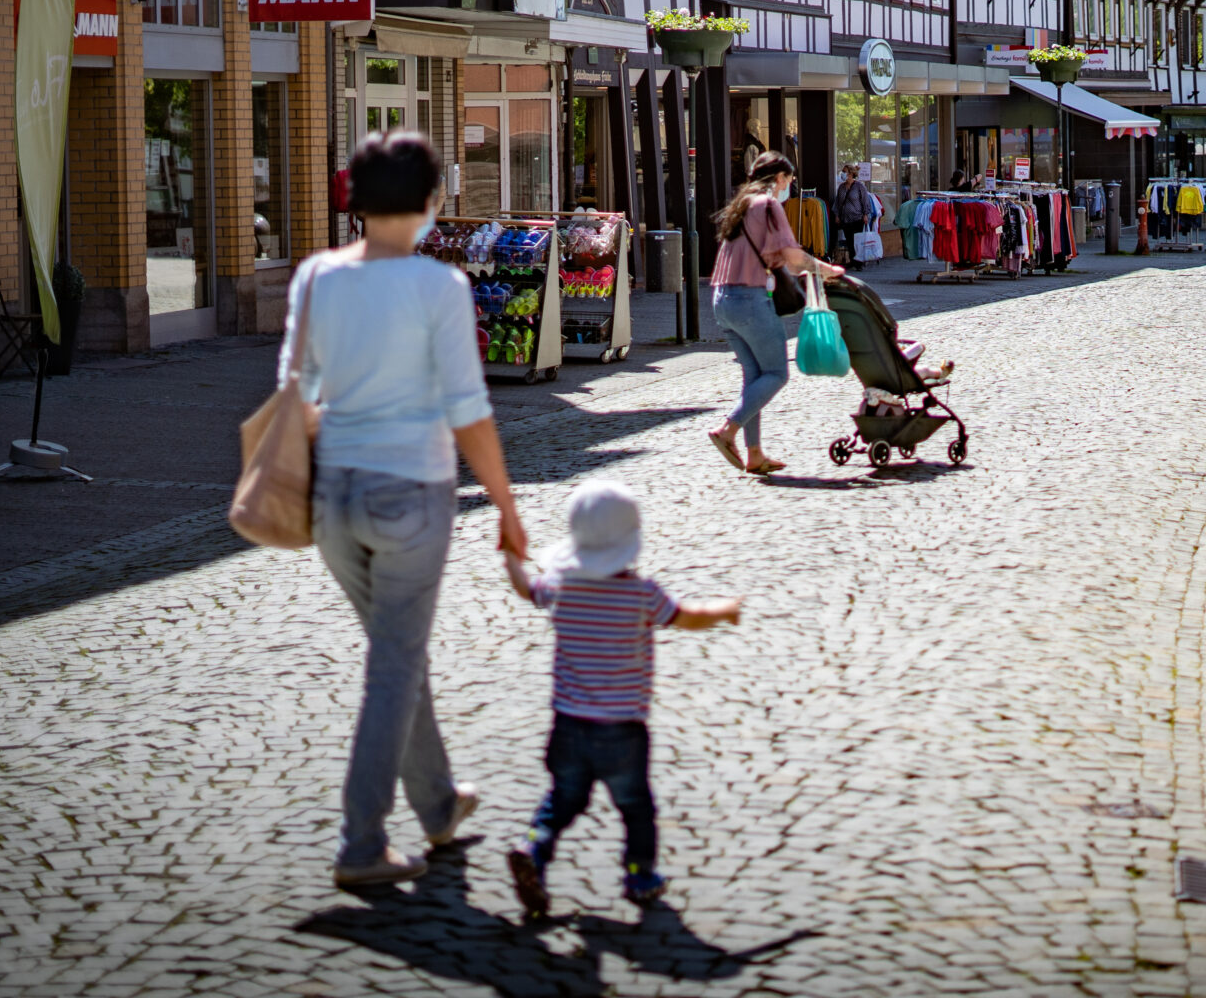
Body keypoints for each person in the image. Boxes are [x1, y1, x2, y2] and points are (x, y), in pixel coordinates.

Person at [283, 131, 526, 890]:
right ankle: (360, 841)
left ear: (352, 200)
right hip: (409, 496)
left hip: (335, 499)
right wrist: (507, 506)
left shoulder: (317, 277)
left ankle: (439, 802)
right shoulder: (437, 289)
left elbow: (300, 393)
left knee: (398, 651)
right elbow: (467, 410)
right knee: (393, 662)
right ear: (429, 203)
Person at [502, 480, 742, 918]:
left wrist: (511, 554)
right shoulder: (640, 593)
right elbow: (686, 618)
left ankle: (533, 848)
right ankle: (639, 874)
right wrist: (724, 609)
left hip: (569, 724)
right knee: (635, 807)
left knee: (563, 798)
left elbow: (523, 587)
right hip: (622, 730)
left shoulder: (560, 585)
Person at [707, 151, 844, 475]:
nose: (790, 187)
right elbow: (793, 258)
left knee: (755, 376)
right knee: (777, 374)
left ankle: (754, 454)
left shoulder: (741, 205)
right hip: (749, 300)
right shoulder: (768, 205)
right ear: (779, 179)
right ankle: (728, 430)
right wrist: (825, 269)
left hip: (722, 300)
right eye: (790, 180)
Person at [833, 163, 875, 261]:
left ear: (851, 174)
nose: (842, 174)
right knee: (849, 241)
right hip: (845, 219)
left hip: (857, 218)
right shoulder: (841, 187)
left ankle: (859, 261)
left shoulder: (859, 186)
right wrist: (837, 215)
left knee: (857, 241)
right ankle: (853, 260)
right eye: (842, 171)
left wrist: (865, 214)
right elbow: (838, 202)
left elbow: (865, 201)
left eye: (844, 172)